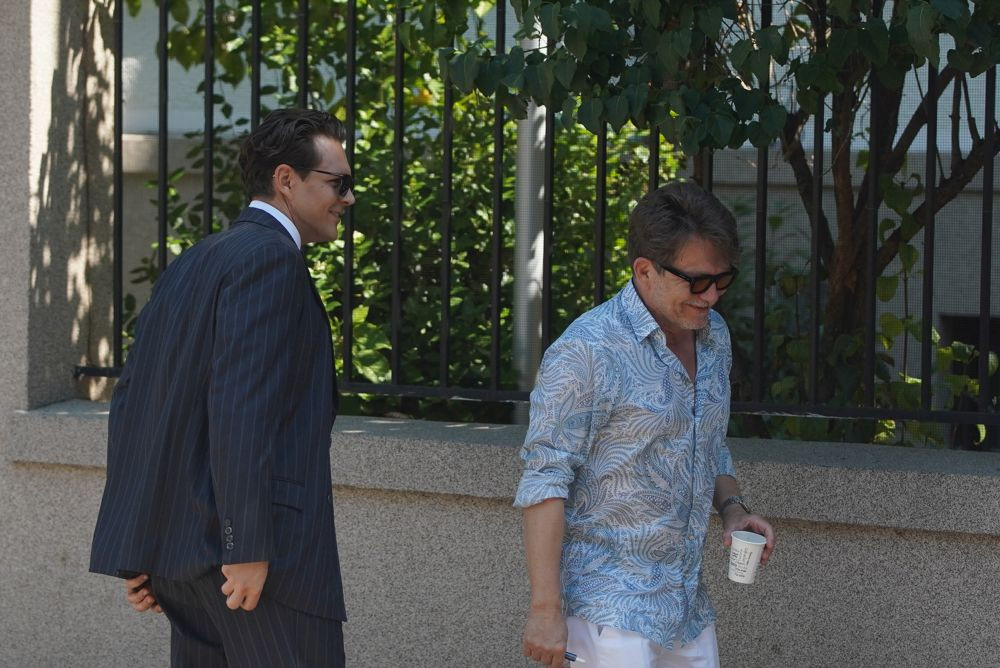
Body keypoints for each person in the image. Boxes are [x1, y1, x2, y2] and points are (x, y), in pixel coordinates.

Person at [90, 108, 355, 667]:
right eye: (339, 182)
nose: (348, 198)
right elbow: (242, 410)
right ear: (286, 180)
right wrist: (247, 546)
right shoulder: (271, 260)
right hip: (258, 567)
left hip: (184, 562)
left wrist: (138, 547)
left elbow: (137, 399)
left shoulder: (196, 259)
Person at [517, 181, 776, 668]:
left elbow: (708, 442)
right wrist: (545, 611)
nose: (711, 296)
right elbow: (544, 480)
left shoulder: (714, 336)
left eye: (723, 280)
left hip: (686, 607)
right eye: (697, 281)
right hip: (605, 614)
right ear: (644, 270)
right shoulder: (587, 350)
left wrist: (732, 509)